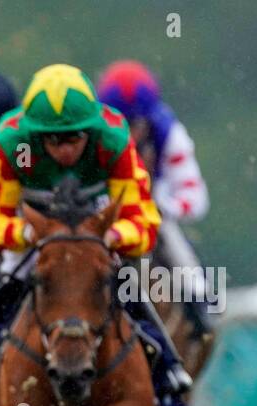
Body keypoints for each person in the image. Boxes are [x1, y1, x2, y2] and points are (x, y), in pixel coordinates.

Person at [0, 63, 192, 406]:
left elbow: (142, 218)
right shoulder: (6, 143)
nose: (65, 149)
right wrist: (23, 234)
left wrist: (115, 236)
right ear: (35, 135)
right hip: (36, 232)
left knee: (124, 282)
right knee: (9, 283)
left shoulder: (114, 138)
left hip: (94, 228)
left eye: (74, 138)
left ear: (90, 131)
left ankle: (167, 365)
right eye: (54, 140)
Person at [98, 60, 213, 335]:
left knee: (192, 278)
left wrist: (161, 204)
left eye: (133, 125)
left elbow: (196, 199)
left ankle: (202, 313)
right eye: (118, 125)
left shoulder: (170, 135)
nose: (126, 135)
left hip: (152, 217)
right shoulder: (90, 137)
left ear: (148, 121)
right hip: (103, 217)